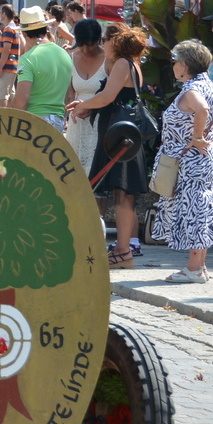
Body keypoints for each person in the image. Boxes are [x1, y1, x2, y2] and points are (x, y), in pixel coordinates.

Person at [67, 23, 149, 269]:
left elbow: (108, 96)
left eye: (106, 40)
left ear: (116, 43)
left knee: (124, 194)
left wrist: (83, 105)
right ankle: (123, 251)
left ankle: (123, 251)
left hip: (122, 137)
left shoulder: (124, 63)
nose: (102, 44)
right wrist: (85, 107)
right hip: (123, 135)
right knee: (122, 194)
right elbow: (110, 99)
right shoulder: (130, 63)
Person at [157, 40, 213, 284]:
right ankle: (199, 266)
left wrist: (198, 136)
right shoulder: (207, 84)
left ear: (184, 65)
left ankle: (194, 269)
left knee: (195, 209)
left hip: (191, 160)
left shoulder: (191, 90)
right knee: (201, 208)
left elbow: (203, 108)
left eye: (175, 61)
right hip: (203, 158)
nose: (173, 66)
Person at [13, 6, 72, 129]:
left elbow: (22, 100)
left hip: (34, 121)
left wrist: (13, 124)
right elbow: (70, 94)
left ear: (24, 33)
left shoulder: (27, 58)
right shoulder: (64, 54)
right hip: (58, 120)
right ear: (46, 29)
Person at [63, 19, 106, 173]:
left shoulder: (109, 59)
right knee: (75, 170)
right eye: (82, 44)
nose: (86, 49)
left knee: (95, 171)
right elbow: (69, 96)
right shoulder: (71, 57)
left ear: (99, 40)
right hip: (77, 121)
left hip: (100, 120)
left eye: (90, 44)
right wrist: (64, 118)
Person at [0, 3, 23, 105]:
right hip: (12, 66)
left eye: (0, 13)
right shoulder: (13, 28)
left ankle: (2, 119)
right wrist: (2, 35)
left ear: (4, 14)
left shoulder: (8, 29)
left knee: (2, 97)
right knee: (10, 95)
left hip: (6, 67)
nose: (0, 15)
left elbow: (7, 50)